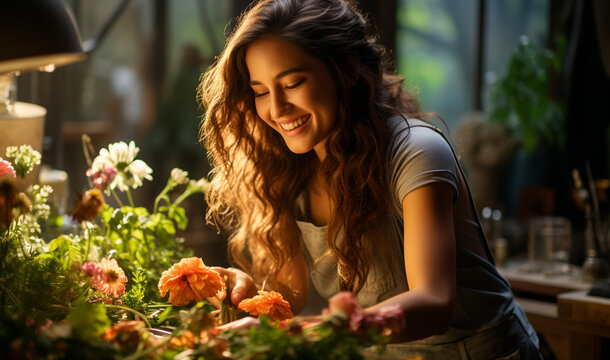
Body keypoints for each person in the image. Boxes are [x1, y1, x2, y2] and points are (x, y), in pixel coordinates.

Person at [198, 0, 542, 358]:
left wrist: (293, 333)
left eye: (293, 83)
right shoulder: (289, 170)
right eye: (261, 92)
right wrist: (245, 296)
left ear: (347, 69)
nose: (277, 108)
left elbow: (434, 303)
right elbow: (291, 294)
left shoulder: (416, 152)